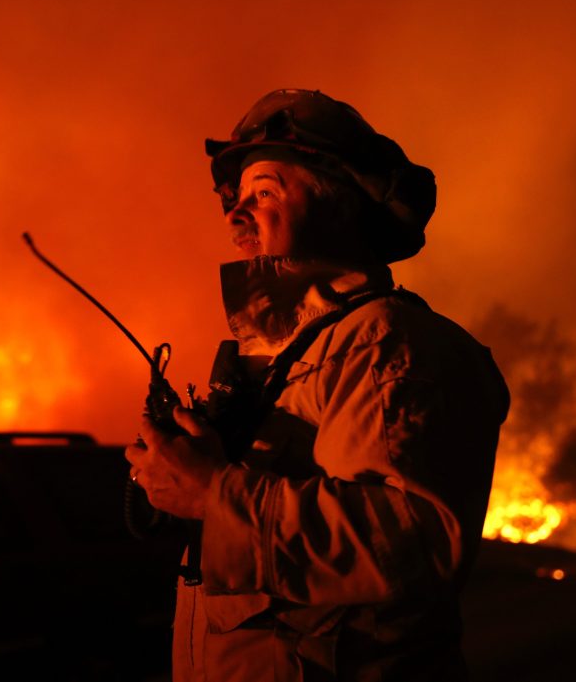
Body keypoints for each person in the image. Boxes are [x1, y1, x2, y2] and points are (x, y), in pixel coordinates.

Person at [125, 89, 509, 681]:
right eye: (236, 197)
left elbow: (413, 538)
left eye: (264, 192)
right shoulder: (290, 355)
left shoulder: (389, 340)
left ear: (338, 206)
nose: (235, 214)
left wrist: (214, 495)